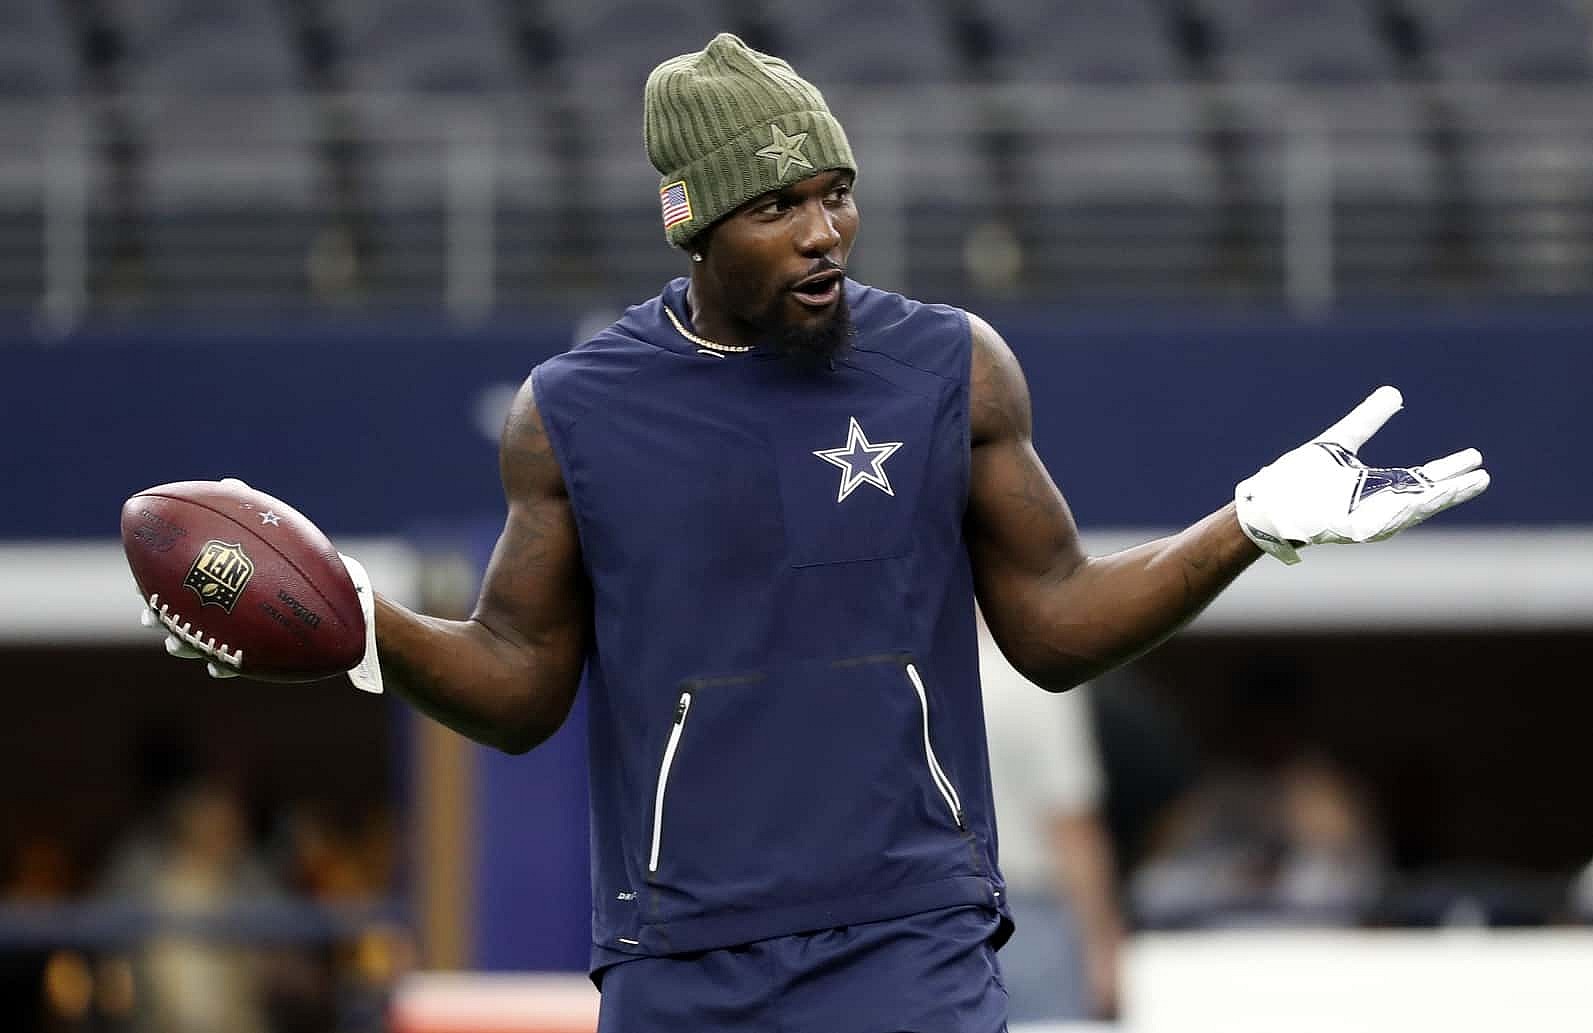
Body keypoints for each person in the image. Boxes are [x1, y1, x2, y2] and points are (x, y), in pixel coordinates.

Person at [144, 33, 1489, 1032]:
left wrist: (1246, 527)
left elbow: (1060, 625)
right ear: (691, 224)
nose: (825, 231)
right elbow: (515, 687)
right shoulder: (573, 415)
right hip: (683, 957)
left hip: (911, 935)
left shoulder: (950, 366)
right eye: (778, 206)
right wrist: (356, 621)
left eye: (836, 192)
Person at [977, 610, 1123, 1021]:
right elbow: (1071, 826)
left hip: (939, 917)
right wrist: (1104, 951)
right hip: (1030, 920)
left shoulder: (908, 683)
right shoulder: (1036, 680)